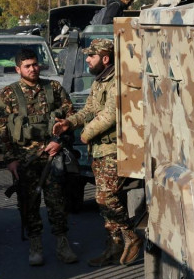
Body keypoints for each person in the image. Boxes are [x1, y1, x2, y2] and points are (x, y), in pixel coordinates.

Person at [54, 40, 141, 266]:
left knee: (105, 197)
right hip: (100, 150)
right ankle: (114, 246)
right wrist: (69, 123)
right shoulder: (100, 81)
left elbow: (111, 114)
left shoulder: (117, 81)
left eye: (91, 57)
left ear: (105, 58)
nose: (87, 60)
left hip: (115, 149)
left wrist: (86, 133)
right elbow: (90, 109)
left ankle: (131, 236)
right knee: (103, 201)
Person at [0, 49, 78, 266]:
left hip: (52, 155)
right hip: (25, 159)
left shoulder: (54, 88)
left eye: (34, 64)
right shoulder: (9, 94)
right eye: (27, 66)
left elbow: (71, 119)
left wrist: (58, 142)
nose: (32, 69)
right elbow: (3, 130)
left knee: (57, 201)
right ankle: (35, 244)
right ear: (18, 69)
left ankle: (62, 242)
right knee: (29, 203)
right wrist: (10, 160)